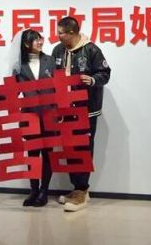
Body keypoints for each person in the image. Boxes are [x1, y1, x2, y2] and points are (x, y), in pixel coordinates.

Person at [0, 29, 55, 207]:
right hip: (29, 115)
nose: (40, 42)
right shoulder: (19, 66)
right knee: (32, 155)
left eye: (40, 39)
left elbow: (59, 88)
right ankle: (34, 190)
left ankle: (44, 192)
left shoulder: (51, 61)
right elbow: (12, 91)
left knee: (48, 155)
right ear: (26, 44)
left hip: (49, 115)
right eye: (36, 40)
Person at [51, 16, 111, 212]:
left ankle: (82, 190)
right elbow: (51, 75)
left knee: (83, 149)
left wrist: (92, 80)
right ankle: (77, 188)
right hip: (65, 109)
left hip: (86, 110)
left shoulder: (91, 49)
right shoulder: (57, 50)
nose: (58, 36)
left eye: (61, 33)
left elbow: (105, 73)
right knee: (69, 148)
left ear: (72, 32)